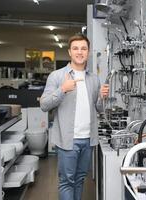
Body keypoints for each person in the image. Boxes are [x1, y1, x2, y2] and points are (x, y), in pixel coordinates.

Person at [40, 33, 109, 200]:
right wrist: (62, 89)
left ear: (88, 52)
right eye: (76, 48)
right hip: (67, 140)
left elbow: (99, 109)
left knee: (79, 180)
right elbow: (44, 105)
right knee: (67, 181)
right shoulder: (57, 76)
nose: (80, 52)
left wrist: (102, 97)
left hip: (88, 139)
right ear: (69, 52)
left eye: (83, 48)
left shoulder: (93, 78)